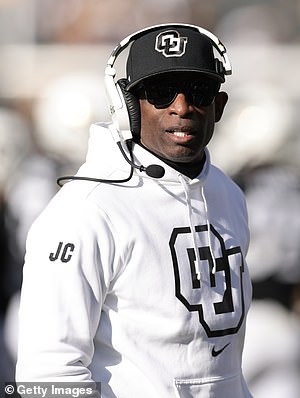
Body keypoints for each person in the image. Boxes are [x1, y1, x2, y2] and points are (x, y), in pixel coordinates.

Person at [16, 23, 253, 398]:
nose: (181, 107)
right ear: (127, 106)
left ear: (218, 105)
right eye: (160, 92)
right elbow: (47, 373)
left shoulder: (229, 195)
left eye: (198, 91)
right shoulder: (86, 211)